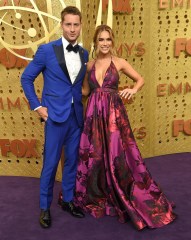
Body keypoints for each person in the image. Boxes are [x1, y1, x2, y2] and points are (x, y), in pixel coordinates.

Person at [73, 24, 176, 230]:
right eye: (101, 40)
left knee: (117, 153)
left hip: (113, 113)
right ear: (95, 42)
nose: (104, 43)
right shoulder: (90, 64)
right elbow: (85, 91)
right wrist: (64, 86)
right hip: (93, 113)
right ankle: (99, 190)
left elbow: (140, 79)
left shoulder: (119, 62)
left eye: (108, 39)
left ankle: (122, 189)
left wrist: (132, 89)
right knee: (96, 154)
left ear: (112, 42)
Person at [21, 6, 88, 228]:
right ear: (62, 25)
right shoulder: (46, 50)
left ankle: (67, 201)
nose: (72, 29)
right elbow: (26, 78)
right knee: (50, 164)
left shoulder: (84, 53)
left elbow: (77, 86)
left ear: (80, 26)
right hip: (54, 117)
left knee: (71, 163)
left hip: (75, 118)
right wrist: (38, 107)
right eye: (68, 24)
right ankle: (44, 207)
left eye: (75, 24)